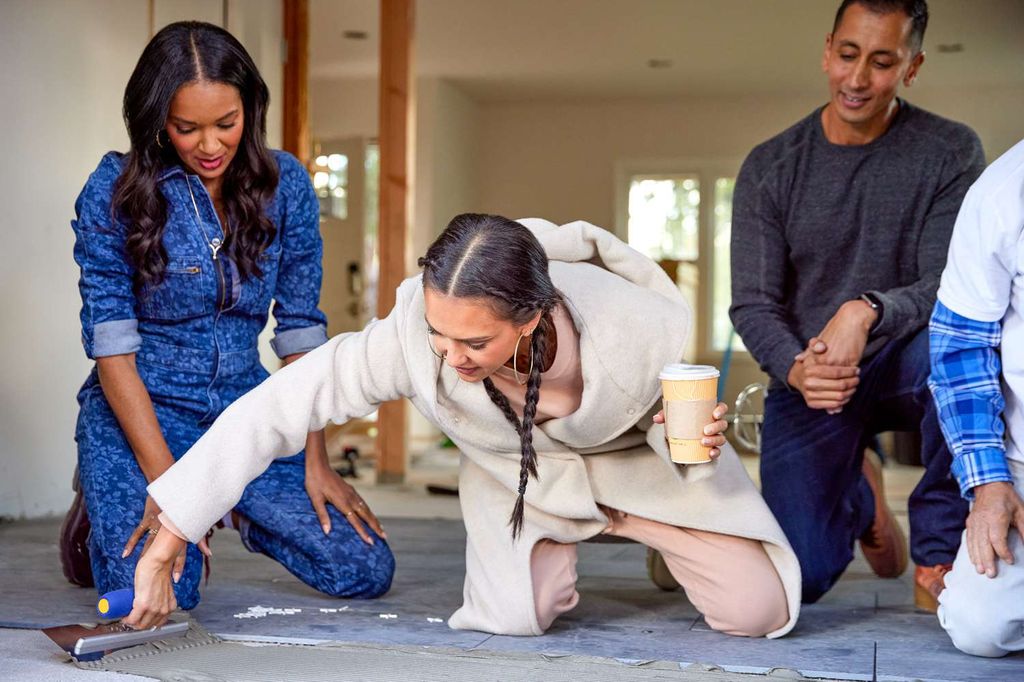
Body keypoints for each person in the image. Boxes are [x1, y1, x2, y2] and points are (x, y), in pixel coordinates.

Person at [124, 214, 802, 639]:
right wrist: (174, 532)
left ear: (530, 319)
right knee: (516, 620)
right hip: (522, 478)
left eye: (474, 343)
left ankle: (662, 545)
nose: (449, 357)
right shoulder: (420, 335)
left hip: (639, 470)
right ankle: (560, 540)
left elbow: (674, 426)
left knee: (757, 614)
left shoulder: (639, 332)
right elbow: (280, 405)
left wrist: (688, 439)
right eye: (438, 334)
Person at [63, 21, 394, 610]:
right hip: (144, 410)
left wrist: (314, 459)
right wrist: (173, 491)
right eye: (186, 127)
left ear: (251, 111)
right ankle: (98, 499)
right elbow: (112, 349)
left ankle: (234, 496)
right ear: (156, 121)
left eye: (226, 124)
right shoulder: (113, 189)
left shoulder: (285, 183)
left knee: (361, 566)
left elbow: (300, 333)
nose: (210, 145)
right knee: (159, 592)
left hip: (248, 412)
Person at [729, 0, 985, 609]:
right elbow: (753, 303)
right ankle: (862, 492)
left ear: (912, 66)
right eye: (847, 55)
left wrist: (864, 309)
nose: (857, 79)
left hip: (906, 359)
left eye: (881, 61)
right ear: (826, 50)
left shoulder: (949, 151)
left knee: (965, 352)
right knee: (800, 581)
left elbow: (951, 283)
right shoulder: (771, 166)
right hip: (813, 375)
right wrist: (797, 367)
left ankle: (937, 554)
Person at [928, 139, 1024, 657]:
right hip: (1022, 459)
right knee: (978, 626)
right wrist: (989, 481)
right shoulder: (1005, 190)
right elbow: (961, 346)